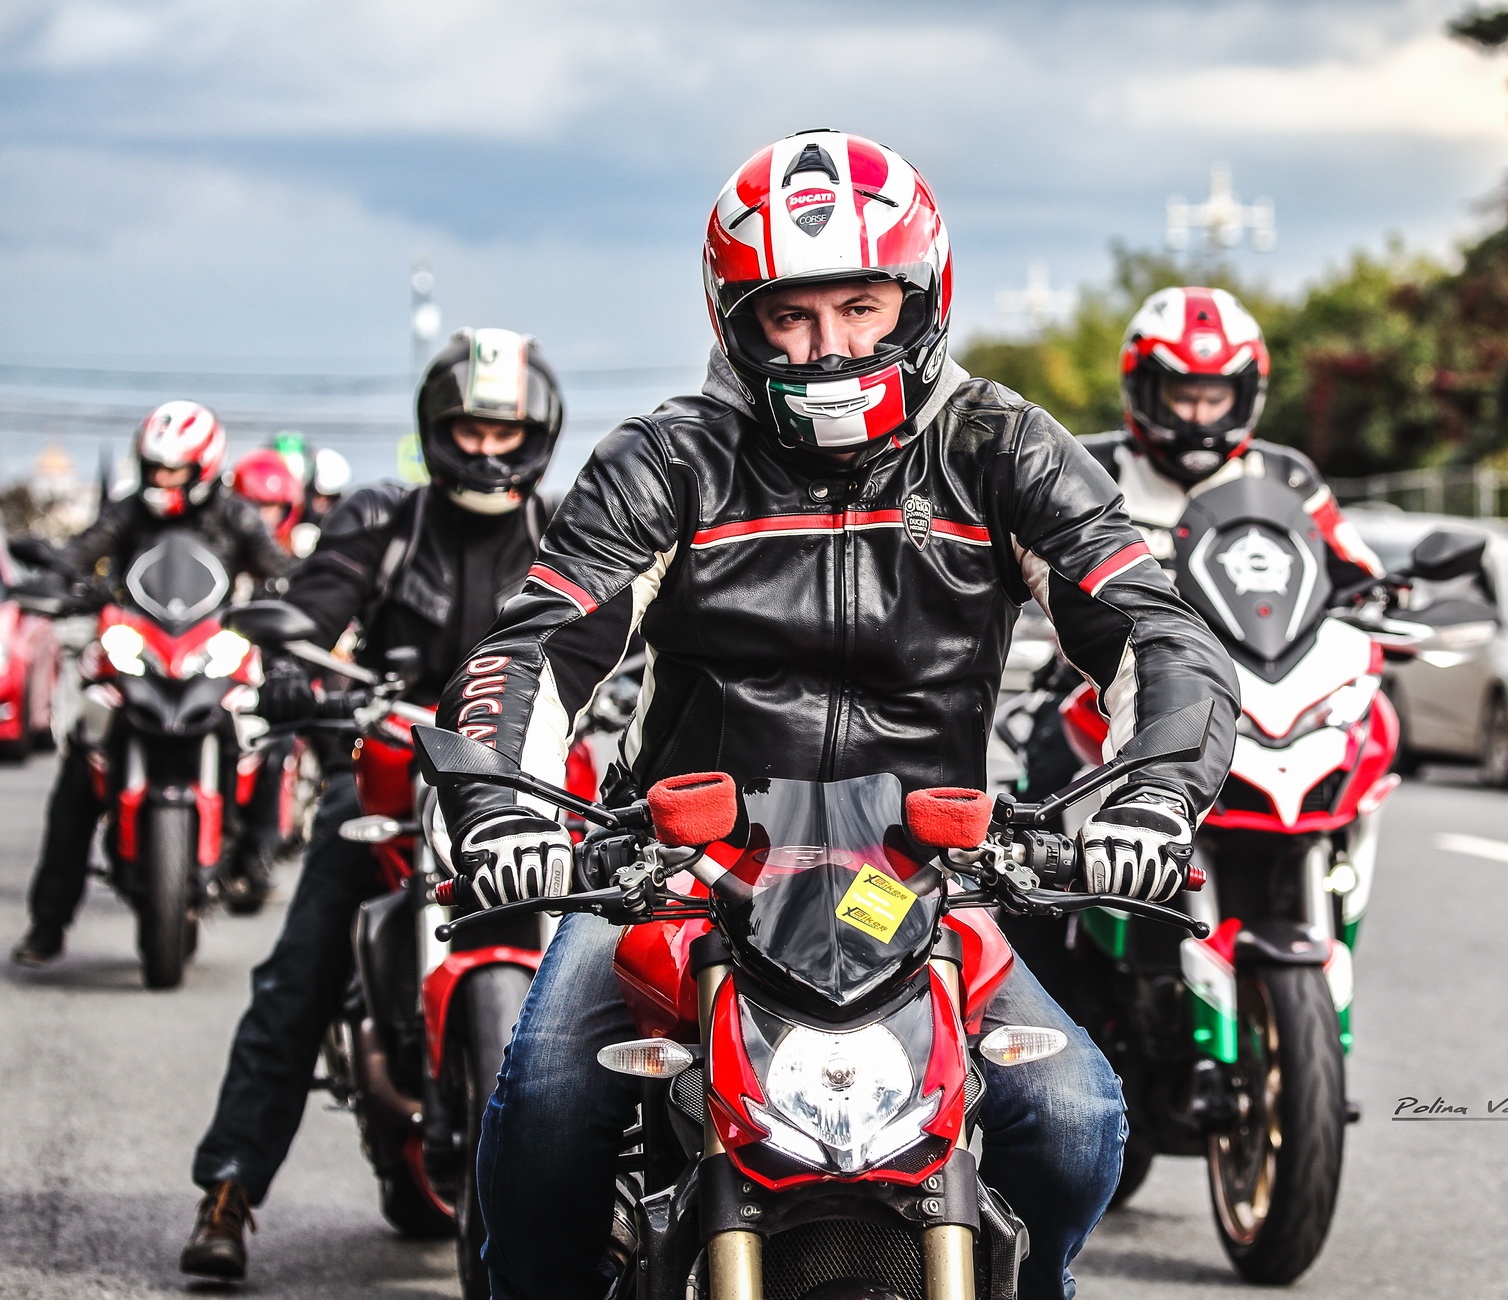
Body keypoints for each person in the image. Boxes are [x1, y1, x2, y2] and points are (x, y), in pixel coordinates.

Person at [427, 130, 1238, 1300]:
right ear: (735, 321)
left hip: (922, 876)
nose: (828, 347)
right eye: (789, 316)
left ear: (921, 296)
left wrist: (1154, 795)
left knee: (1071, 1117)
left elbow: (1157, 632)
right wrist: (504, 812)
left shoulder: (1000, 446)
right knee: (550, 1105)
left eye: (860, 307)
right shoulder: (668, 458)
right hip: (682, 875)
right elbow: (536, 646)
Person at [178, 328, 566, 1280]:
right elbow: (311, 614)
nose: (487, 451)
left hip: (534, 772)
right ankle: (228, 1189)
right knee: (301, 963)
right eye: (470, 430)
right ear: (438, 431)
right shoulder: (386, 521)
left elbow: (631, 627)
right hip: (392, 760)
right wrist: (291, 671)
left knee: (643, 948)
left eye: (506, 433)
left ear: (538, 437)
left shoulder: (564, 530)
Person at [1012, 285, 1384, 803]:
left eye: (1216, 398)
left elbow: (1353, 569)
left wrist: (1385, 596)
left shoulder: (1287, 475)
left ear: (1246, 394)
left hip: (1261, 679)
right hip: (1106, 677)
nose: (1200, 416)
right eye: (1183, 396)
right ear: (1143, 390)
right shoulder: (1088, 465)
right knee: (1042, 784)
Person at [11, 401, 290, 967]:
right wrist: (58, 580)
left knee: (270, 738)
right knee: (82, 766)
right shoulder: (128, 513)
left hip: (210, 648)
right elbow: (80, 553)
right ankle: (47, 924)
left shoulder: (234, 515)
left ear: (204, 467)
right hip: (140, 648)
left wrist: (288, 595)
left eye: (175, 469)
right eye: (154, 468)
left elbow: (279, 568)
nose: (163, 480)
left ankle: (255, 861)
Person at [230, 448, 307, 556]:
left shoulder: (294, 548)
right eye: (258, 505)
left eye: (274, 506)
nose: (268, 515)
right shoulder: (226, 546)